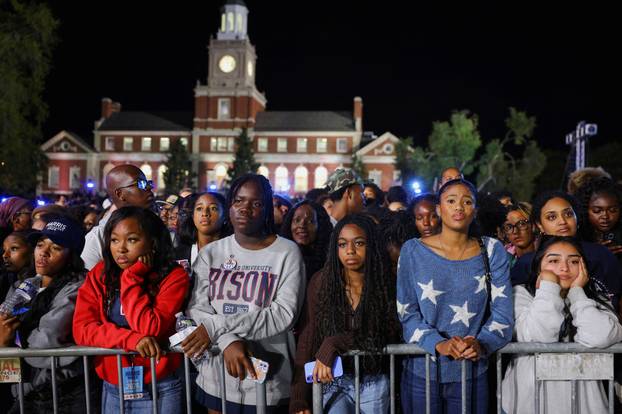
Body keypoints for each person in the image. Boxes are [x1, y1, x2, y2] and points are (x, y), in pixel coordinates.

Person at [183, 174, 305, 413]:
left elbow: (282, 314)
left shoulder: (288, 253)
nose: (244, 209)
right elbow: (197, 308)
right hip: (217, 377)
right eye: (238, 201)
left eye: (255, 203)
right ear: (230, 206)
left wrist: (217, 327)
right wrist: (228, 341)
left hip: (268, 379)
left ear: (268, 208)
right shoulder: (212, 253)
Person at [397, 178, 513, 414]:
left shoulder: (492, 250)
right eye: (451, 201)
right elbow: (406, 312)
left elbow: (503, 314)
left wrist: (480, 343)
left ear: (475, 210)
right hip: (421, 373)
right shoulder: (412, 251)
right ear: (439, 209)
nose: (459, 207)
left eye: (467, 201)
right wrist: (438, 344)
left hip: (471, 372)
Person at [73, 207, 189, 413]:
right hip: (114, 385)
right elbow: (82, 329)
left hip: (161, 386)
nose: (121, 249)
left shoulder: (174, 276)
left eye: (132, 240)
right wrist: (132, 340)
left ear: (152, 242)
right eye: (114, 240)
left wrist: (132, 278)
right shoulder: (100, 273)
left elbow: (151, 328)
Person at [290, 214, 400, 413]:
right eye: (342, 244)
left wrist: (335, 342)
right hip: (332, 377)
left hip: (374, 379)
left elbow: (387, 332)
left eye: (359, 243)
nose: (350, 251)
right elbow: (308, 337)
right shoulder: (322, 282)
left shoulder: (386, 282)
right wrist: (299, 398)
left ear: (372, 245)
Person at [502, 236, 622, 413]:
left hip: (586, 405)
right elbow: (539, 336)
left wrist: (577, 293)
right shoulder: (520, 294)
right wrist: (549, 286)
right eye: (553, 260)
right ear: (538, 267)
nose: (564, 268)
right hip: (528, 404)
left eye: (574, 261)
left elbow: (600, 336)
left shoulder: (597, 297)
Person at [0, 216, 87, 413]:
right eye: (40, 245)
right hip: (22, 390)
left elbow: (45, 342)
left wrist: (11, 336)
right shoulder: (23, 286)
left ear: (71, 255)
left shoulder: (78, 288)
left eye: (55, 248)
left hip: (62, 394)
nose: (43, 253)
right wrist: (4, 345)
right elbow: (3, 344)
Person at [510, 191, 622, 310]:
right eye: (552, 217)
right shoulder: (526, 263)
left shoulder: (601, 255)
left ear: (577, 218)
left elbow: (615, 303)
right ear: (539, 225)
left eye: (568, 214)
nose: (562, 221)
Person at [81, 164, 154, 270]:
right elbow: (88, 283)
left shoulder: (156, 226)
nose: (148, 188)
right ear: (120, 194)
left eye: (148, 183)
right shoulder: (97, 238)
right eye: (141, 184)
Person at [280, 200, 333, 282]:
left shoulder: (331, 260)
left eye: (310, 221)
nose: (302, 225)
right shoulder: (281, 259)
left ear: (321, 225)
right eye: (297, 220)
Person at [175, 192, 229, 268]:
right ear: (193, 216)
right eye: (199, 208)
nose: (205, 213)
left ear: (225, 215)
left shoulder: (236, 254)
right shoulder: (176, 255)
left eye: (213, 208)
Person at [575, 177, 622, 256]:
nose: (605, 216)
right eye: (597, 211)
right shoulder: (577, 236)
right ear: (585, 210)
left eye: (613, 210)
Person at [1, 231, 34, 302]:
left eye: (14, 248)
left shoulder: (42, 283)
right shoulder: (13, 282)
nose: (5, 255)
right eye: (4, 250)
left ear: (32, 250)